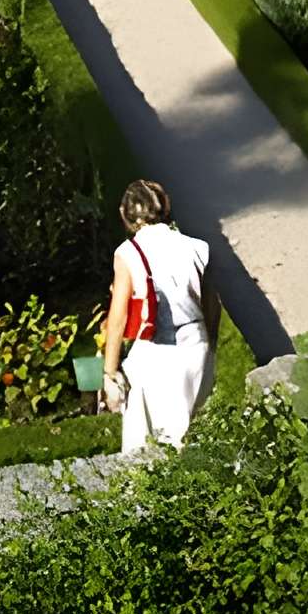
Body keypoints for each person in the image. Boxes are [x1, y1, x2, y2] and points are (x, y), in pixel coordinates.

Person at [100, 177, 217, 453]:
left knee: (142, 437)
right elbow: (212, 304)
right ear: (165, 208)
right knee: (191, 433)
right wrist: (209, 346)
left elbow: (117, 320)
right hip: (197, 346)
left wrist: (109, 372)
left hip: (159, 351)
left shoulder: (128, 254)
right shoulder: (198, 247)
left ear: (124, 214)